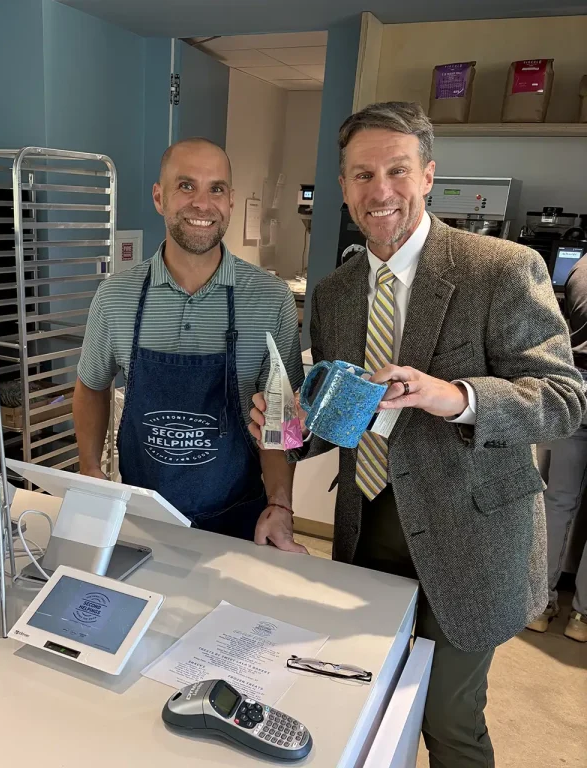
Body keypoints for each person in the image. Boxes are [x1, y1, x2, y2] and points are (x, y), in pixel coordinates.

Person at [249, 102, 585, 767]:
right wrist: (293, 429)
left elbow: (563, 400)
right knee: (366, 699)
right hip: (368, 526)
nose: (380, 191)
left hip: (474, 540)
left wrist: (451, 396)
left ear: (428, 176)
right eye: (362, 174)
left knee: (449, 722)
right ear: (343, 188)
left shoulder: (501, 269)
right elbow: (347, 417)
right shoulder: (336, 292)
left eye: (397, 171)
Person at [73, 137, 306, 551]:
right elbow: (91, 385)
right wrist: (90, 468)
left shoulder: (271, 300)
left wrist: (281, 505)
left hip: (241, 519)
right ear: (159, 198)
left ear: (231, 201)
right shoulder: (116, 297)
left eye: (216, 188)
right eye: (186, 186)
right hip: (143, 517)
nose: (202, 203)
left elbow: (282, 419)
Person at [527, 253, 587, 642]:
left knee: (557, 501)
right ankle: (581, 617)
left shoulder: (581, 267)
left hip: (577, 389)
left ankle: (540, 605)